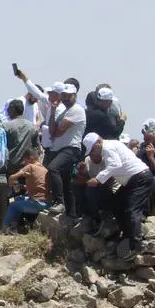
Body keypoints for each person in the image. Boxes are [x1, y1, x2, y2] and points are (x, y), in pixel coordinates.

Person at [81, 132, 154, 260]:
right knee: (117, 204)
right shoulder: (111, 146)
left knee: (132, 210)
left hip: (139, 177)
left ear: (98, 142)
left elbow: (115, 165)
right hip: (133, 179)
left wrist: (98, 179)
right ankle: (127, 234)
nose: (93, 153)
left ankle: (137, 245)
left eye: (92, 150)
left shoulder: (108, 148)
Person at [45, 84, 86, 216]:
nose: (66, 98)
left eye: (69, 96)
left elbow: (58, 132)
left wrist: (55, 129)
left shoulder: (76, 110)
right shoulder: (63, 112)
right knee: (66, 182)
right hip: (60, 148)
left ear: (75, 96)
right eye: (64, 95)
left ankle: (59, 202)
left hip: (71, 148)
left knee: (53, 168)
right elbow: (52, 131)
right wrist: (52, 111)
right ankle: (71, 214)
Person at [2, 148, 50, 230]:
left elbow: (12, 177)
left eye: (25, 161)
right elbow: (39, 187)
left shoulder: (30, 166)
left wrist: (10, 185)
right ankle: (13, 227)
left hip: (37, 204)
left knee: (12, 205)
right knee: (18, 199)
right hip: (47, 203)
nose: (24, 163)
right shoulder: (44, 169)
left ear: (31, 158)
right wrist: (22, 186)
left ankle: (4, 228)